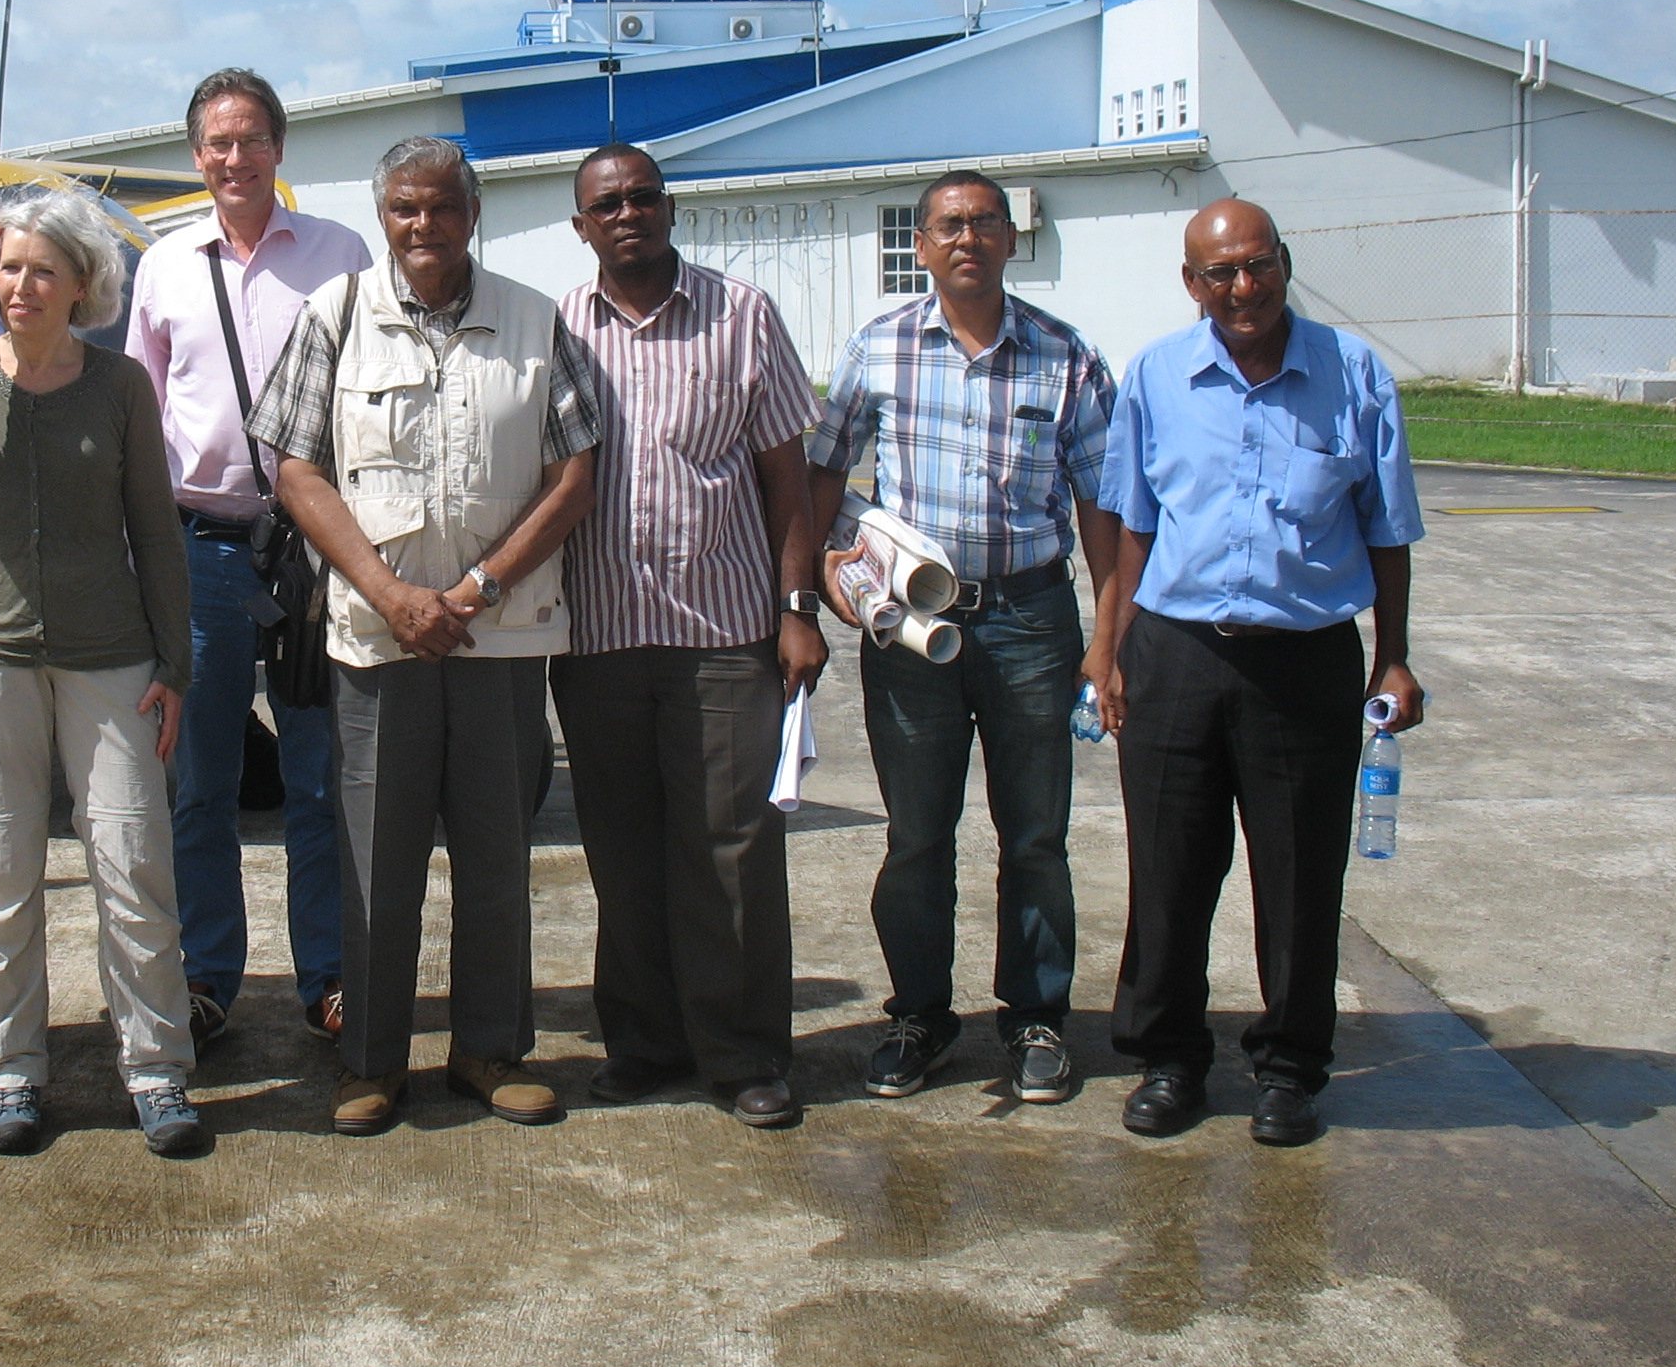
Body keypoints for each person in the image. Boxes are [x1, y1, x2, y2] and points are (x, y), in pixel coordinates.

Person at [250, 135, 599, 1136]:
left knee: (496, 853)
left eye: (441, 207)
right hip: (377, 639)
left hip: (503, 638)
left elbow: (574, 476)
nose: (423, 226)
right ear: (382, 217)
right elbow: (296, 471)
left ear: (473, 213)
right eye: (404, 209)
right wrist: (390, 592)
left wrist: (481, 587)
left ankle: (491, 1052)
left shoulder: (536, 319)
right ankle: (371, 1062)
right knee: (375, 858)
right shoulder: (335, 316)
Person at [0, 189, 207, 1159]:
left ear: (82, 286)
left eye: (40, 272)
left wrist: (176, 661)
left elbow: (154, 527)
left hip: (111, 658)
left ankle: (156, 1071)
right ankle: (12, 1073)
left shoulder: (118, 387)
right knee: (1, 868)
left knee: (133, 861)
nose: (22, 287)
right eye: (9, 269)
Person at [1097, 197, 1424, 1148]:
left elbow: (1388, 532)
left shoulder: (1354, 375)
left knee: (1298, 881)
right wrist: (1107, 654)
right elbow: (1131, 528)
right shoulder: (1157, 376)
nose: (1242, 289)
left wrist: (1393, 655)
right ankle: (1169, 1060)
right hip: (1177, 656)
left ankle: (1287, 1070)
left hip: (1307, 665)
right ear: (1191, 283)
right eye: (1219, 274)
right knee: (1167, 872)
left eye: (1257, 266)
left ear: (1285, 261)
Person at [808, 170, 1122, 1105]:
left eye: (986, 223)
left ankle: (1034, 1019)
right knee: (916, 835)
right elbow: (823, 474)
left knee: (1034, 836)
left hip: (1032, 620)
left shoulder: (1065, 358)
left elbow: (1102, 508)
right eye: (948, 225)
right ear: (922, 244)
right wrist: (822, 578)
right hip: (916, 630)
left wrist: (1106, 642)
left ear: (1012, 240)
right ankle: (920, 1014)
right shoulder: (881, 348)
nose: (967, 239)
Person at [551, 143, 826, 1130]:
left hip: (724, 633)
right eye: (606, 203)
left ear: (669, 209)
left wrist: (798, 612)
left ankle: (744, 1053)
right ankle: (644, 1044)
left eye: (642, 197)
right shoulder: (555, 331)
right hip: (597, 639)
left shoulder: (743, 315)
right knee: (622, 851)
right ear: (580, 225)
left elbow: (787, 479)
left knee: (731, 848)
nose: (627, 213)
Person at [126, 68, 370, 1053]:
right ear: (196, 156)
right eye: (217, 143)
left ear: (280, 148)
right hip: (202, 552)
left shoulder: (341, 254)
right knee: (201, 782)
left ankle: (330, 977)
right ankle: (207, 977)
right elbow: (142, 421)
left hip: (317, 556)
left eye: (252, 139)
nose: (235, 158)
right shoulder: (164, 267)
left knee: (321, 777)